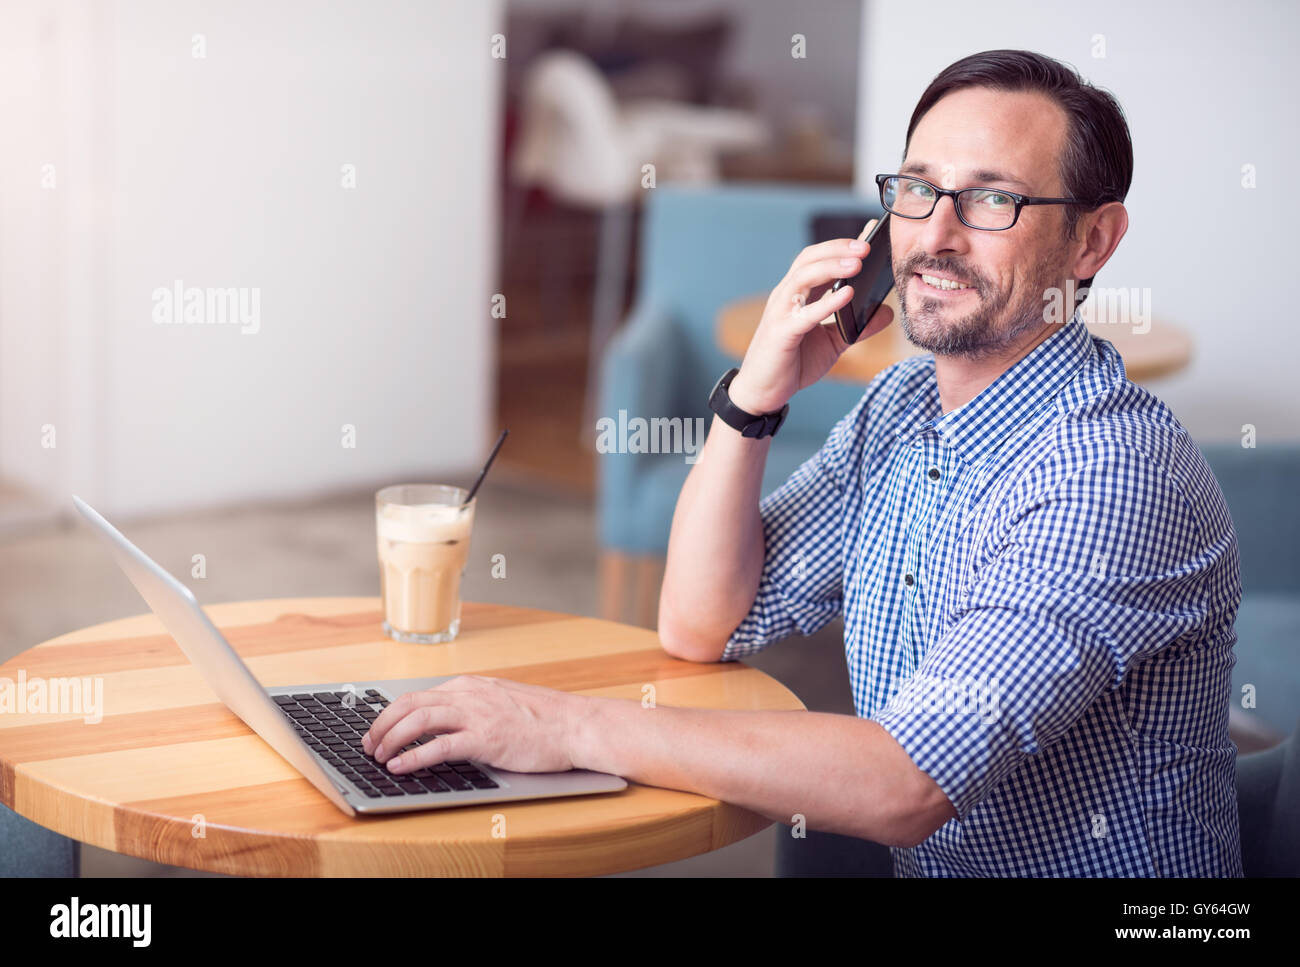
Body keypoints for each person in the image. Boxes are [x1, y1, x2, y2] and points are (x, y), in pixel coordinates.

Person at [363, 49, 1243, 876]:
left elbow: (905, 784)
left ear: (1092, 242)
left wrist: (560, 725)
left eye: (991, 200)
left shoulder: (1111, 475)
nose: (935, 235)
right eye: (916, 189)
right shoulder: (901, 410)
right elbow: (700, 623)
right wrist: (753, 398)